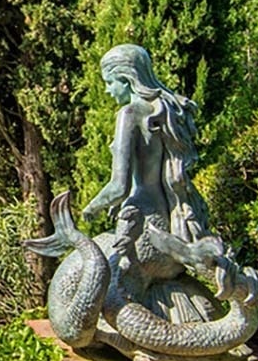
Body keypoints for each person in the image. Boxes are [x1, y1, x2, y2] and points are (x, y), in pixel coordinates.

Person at [81, 44, 221, 322]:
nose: (108, 91)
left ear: (126, 78)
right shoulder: (165, 110)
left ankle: (142, 345)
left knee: (111, 300)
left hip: (141, 228)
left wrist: (89, 209)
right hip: (167, 224)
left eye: (109, 83)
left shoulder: (129, 114)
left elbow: (118, 186)